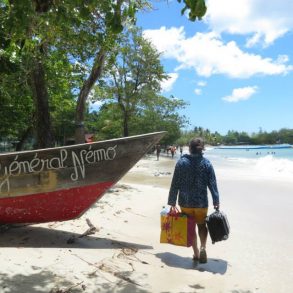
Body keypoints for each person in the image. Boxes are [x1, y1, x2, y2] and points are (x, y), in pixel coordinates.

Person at [167, 137, 220, 263]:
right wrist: (216, 200)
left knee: (190, 227)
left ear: (189, 148)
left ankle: (196, 253)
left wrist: (172, 201)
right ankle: (203, 247)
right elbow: (212, 184)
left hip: (185, 202)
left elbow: (175, 183)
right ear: (202, 149)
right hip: (201, 203)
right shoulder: (207, 163)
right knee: (201, 226)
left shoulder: (181, 162)